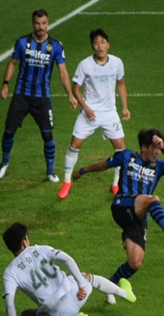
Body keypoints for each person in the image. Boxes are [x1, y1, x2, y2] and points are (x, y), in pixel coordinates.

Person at [72, 128, 164, 302]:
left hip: (138, 217)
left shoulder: (157, 165)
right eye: (154, 147)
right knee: (152, 199)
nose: (157, 152)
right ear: (143, 147)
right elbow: (104, 165)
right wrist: (82, 171)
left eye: (160, 148)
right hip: (122, 205)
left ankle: (109, 287)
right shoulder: (127, 156)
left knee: (135, 262)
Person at [0, 223, 136, 316]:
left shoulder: (10, 273)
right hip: (77, 294)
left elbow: (10, 304)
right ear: (24, 242)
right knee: (89, 277)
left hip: (56, 314)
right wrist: (81, 285)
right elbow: (67, 260)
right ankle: (124, 293)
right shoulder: (40, 249)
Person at [0, 8, 78, 183]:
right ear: (33, 24)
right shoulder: (22, 42)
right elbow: (12, 63)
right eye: (37, 23)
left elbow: (62, 72)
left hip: (42, 98)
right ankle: (4, 161)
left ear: (47, 23)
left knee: (47, 135)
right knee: (9, 130)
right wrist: (5, 84)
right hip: (21, 95)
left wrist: (70, 94)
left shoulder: (55, 46)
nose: (40, 27)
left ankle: (50, 170)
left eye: (43, 23)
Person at [58, 28, 130, 199]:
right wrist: (86, 108)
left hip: (110, 112)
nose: (99, 46)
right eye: (96, 43)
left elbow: (121, 83)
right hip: (89, 112)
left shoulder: (117, 62)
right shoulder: (85, 65)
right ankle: (67, 181)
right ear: (92, 46)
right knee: (75, 144)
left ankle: (116, 184)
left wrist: (125, 107)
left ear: (108, 45)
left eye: (102, 42)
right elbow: (76, 88)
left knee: (121, 149)